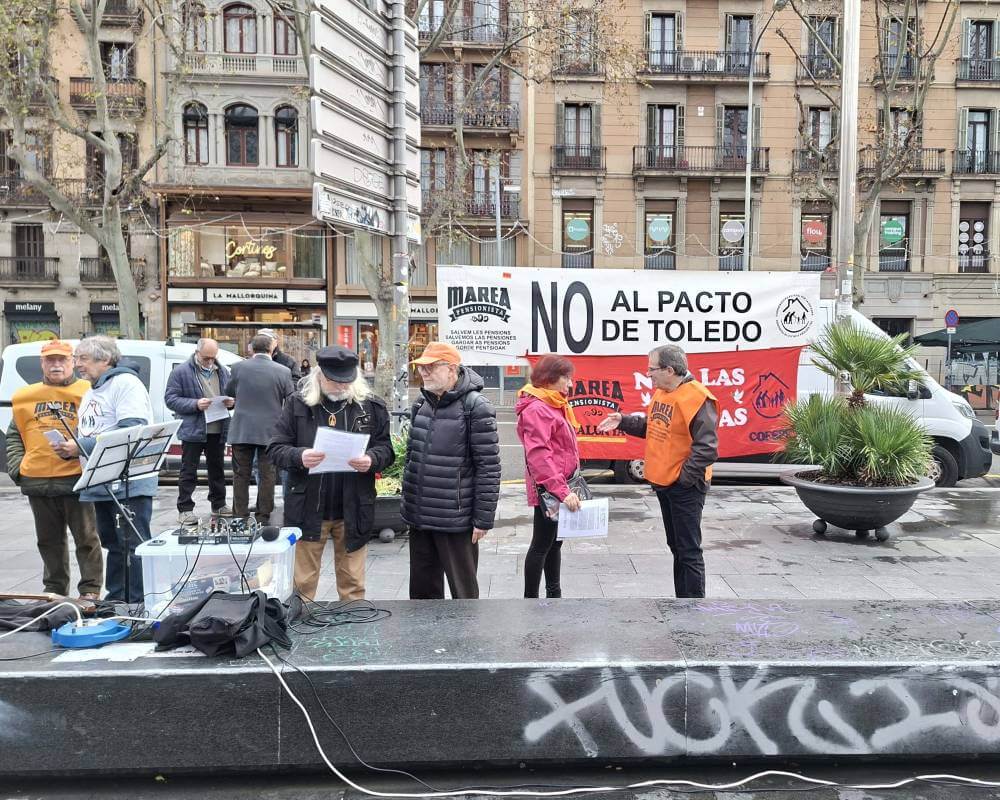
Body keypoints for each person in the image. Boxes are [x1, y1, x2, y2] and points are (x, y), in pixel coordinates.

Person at [268, 346, 393, 601]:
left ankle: (351, 631)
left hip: (354, 506)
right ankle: (302, 631)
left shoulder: (371, 406)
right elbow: (275, 449)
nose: (341, 387)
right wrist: (300, 456)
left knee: (353, 584)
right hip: (308, 506)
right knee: (302, 584)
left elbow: (386, 449)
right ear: (319, 376)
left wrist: (372, 459)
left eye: (347, 381)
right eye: (334, 381)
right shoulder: (297, 404)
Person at [598, 344, 718, 598]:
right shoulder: (664, 392)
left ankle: (692, 612)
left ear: (669, 370)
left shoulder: (698, 398)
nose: (648, 374)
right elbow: (653, 426)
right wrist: (624, 421)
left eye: (652, 369)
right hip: (665, 483)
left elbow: (706, 449)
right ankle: (681, 604)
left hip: (684, 488)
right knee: (677, 547)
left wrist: (683, 480)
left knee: (689, 551)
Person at [54, 336, 156, 603]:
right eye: (76, 359)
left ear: (105, 360)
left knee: (132, 544)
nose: (77, 365)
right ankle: (117, 600)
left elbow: (132, 430)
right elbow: (92, 428)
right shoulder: (93, 389)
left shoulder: (125, 384)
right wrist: (70, 445)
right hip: (100, 481)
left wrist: (81, 446)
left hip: (128, 482)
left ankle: (136, 602)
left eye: (82, 359)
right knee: (113, 544)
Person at [5, 340, 103, 600]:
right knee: (48, 541)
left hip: (76, 478)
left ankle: (91, 590)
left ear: (72, 362)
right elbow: (14, 435)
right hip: (37, 479)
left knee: (87, 539)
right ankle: (54, 590)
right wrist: (18, 468)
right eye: (51, 360)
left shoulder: (88, 391)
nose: (56, 364)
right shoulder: (27, 396)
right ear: (42, 364)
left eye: (62, 360)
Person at [402, 342, 501, 599]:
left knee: (463, 592)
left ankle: (466, 638)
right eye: (421, 367)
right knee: (422, 594)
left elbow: (488, 467)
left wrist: (483, 518)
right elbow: (412, 457)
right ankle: (425, 638)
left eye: (431, 367)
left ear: (452, 370)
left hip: (455, 518)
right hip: (421, 515)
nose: (424, 372)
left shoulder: (475, 406)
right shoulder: (420, 404)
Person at [514, 354, 583, 599]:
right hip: (550, 489)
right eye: (566, 378)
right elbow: (540, 456)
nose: (570, 383)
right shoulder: (539, 408)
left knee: (555, 542)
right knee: (542, 544)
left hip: (560, 485)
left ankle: (554, 594)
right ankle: (530, 599)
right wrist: (562, 492)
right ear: (550, 379)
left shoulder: (554, 402)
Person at [164, 338, 234, 523]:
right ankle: (185, 508)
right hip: (193, 429)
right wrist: (195, 404)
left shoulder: (223, 371)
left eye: (213, 358)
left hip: (217, 427)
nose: (210, 362)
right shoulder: (181, 372)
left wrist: (231, 402)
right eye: (206, 358)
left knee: (217, 469)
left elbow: (232, 395)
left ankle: (219, 504)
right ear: (197, 353)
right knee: (189, 470)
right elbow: (170, 399)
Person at [228, 334, 294, 523]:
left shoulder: (238, 367)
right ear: (271, 349)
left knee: (241, 474)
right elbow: (290, 397)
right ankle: (263, 516)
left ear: (251, 349)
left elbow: (229, 391)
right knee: (268, 475)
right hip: (270, 431)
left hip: (242, 429)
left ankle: (239, 515)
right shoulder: (282, 371)